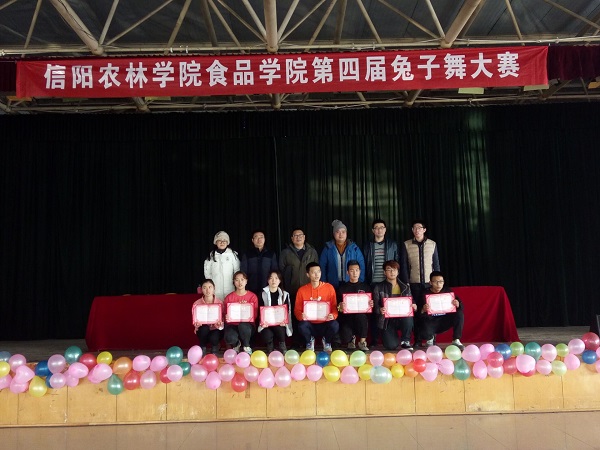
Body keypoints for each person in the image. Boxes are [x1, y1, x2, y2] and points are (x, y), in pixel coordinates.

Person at [279, 227, 319, 348]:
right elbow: (281, 271)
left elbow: (316, 270)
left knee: (308, 316)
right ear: (292, 238)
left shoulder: (312, 252)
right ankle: (296, 342)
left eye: (300, 235)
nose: (298, 237)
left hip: (308, 291)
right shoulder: (285, 253)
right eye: (295, 236)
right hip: (292, 290)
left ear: (304, 237)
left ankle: (309, 340)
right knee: (294, 316)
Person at [363, 218, 399, 347]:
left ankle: (390, 337)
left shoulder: (392, 245)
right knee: (374, 312)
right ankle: (374, 340)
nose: (379, 230)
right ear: (373, 230)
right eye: (376, 228)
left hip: (388, 283)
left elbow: (396, 263)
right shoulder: (367, 245)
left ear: (385, 229)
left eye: (382, 227)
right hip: (372, 283)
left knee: (388, 310)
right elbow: (364, 265)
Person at [294, 262, 339, 352]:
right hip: (310, 324)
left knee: (335, 325)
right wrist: (301, 316)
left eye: (318, 271)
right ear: (308, 274)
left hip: (325, 322)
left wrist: (333, 315)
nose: (316, 274)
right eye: (313, 272)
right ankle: (309, 341)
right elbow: (297, 310)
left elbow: (334, 307)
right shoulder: (302, 290)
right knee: (302, 326)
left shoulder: (329, 288)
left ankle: (327, 341)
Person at [373, 260, 415, 351]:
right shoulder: (378, 287)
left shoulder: (405, 287)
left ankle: (405, 341)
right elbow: (375, 306)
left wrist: (413, 305)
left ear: (398, 272)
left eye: (394, 269)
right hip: (386, 321)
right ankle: (393, 338)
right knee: (391, 346)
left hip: (402, 318)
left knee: (408, 315)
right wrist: (380, 309)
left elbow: (411, 301)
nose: (392, 272)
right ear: (384, 272)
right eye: (389, 269)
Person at [417, 271, 464, 350]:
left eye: (441, 282)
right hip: (430, 322)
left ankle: (456, 340)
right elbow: (417, 312)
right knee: (422, 321)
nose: (438, 284)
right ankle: (430, 339)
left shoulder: (448, 291)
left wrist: (457, 304)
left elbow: (461, 307)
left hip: (444, 320)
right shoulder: (424, 293)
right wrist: (422, 309)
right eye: (436, 282)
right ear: (430, 283)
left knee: (459, 314)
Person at [336, 260, 372, 351]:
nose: (355, 273)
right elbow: (338, 307)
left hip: (361, 317)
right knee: (345, 337)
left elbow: (370, 306)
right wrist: (340, 306)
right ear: (347, 272)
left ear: (360, 271)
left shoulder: (366, 287)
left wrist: (371, 304)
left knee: (362, 317)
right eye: (352, 271)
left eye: (357, 270)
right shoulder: (342, 288)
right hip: (347, 318)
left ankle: (362, 342)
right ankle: (351, 340)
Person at [401, 220, 440, 302]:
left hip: (429, 282)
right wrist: (406, 281)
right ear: (412, 230)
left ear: (424, 230)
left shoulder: (432, 244)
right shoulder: (407, 244)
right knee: (416, 305)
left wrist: (437, 280)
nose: (417, 230)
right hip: (414, 282)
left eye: (419, 228)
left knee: (429, 305)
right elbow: (404, 265)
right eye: (414, 228)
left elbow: (436, 264)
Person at [319, 219, 365, 288]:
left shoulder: (354, 248)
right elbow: (322, 267)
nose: (341, 234)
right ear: (334, 234)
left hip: (351, 284)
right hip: (332, 285)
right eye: (338, 232)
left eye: (343, 232)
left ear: (346, 233)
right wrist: (324, 283)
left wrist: (360, 282)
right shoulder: (328, 248)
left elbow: (361, 265)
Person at [223, 271, 259, 354]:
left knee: (243, 326)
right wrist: (226, 317)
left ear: (246, 281)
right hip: (233, 325)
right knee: (229, 337)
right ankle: (236, 344)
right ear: (234, 282)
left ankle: (246, 346)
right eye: (237, 280)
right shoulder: (229, 297)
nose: (240, 282)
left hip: (247, 326)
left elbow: (255, 315)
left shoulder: (252, 296)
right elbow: (225, 314)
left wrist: (246, 307)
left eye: (242, 280)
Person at [258, 270, 293, 353]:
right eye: (271, 278)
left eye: (276, 278)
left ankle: (282, 344)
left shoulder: (285, 294)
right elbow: (260, 311)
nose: (273, 281)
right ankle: (270, 345)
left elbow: (288, 311)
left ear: (280, 280)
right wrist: (263, 322)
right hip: (267, 324)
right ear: (268, 280)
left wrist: (285, 321)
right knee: (266, 334)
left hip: (279, 323)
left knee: (280, 329)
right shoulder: (262, 294)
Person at [204, 231, 240, 300]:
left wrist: (235, 282)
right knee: (217, 303)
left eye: (224, 241)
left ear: (227, 242)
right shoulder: (211, 255)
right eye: (219, 240)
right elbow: (207, 271)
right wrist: (210, 284)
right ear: (216, 242)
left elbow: (237, 269)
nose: (222, 242)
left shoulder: (232, 254)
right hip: (215, 287)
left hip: (230, 286)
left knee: (229, 303)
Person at [241, 230, 278, 297]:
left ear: (264, 239)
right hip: (251, 288)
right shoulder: (247, 254)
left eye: (261, 237)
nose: (259, 239)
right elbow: (243, 272)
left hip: (267, 287)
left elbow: (274, 271)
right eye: (256, 237)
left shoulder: (271, 254)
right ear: (252, 240)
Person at [192, 279, 223, 355]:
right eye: (204, 287)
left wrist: (220, 324)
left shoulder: (220, 303)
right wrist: (196, 324)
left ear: (214, 288)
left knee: (215, 337)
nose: (207, 290)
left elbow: (223, 322)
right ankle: (202, 346)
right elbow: (195, 321)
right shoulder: (196, 304)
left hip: (215, 328)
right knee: (204, 329)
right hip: (203, 329)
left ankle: (215, 346)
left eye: (210, 287)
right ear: (201, 289)